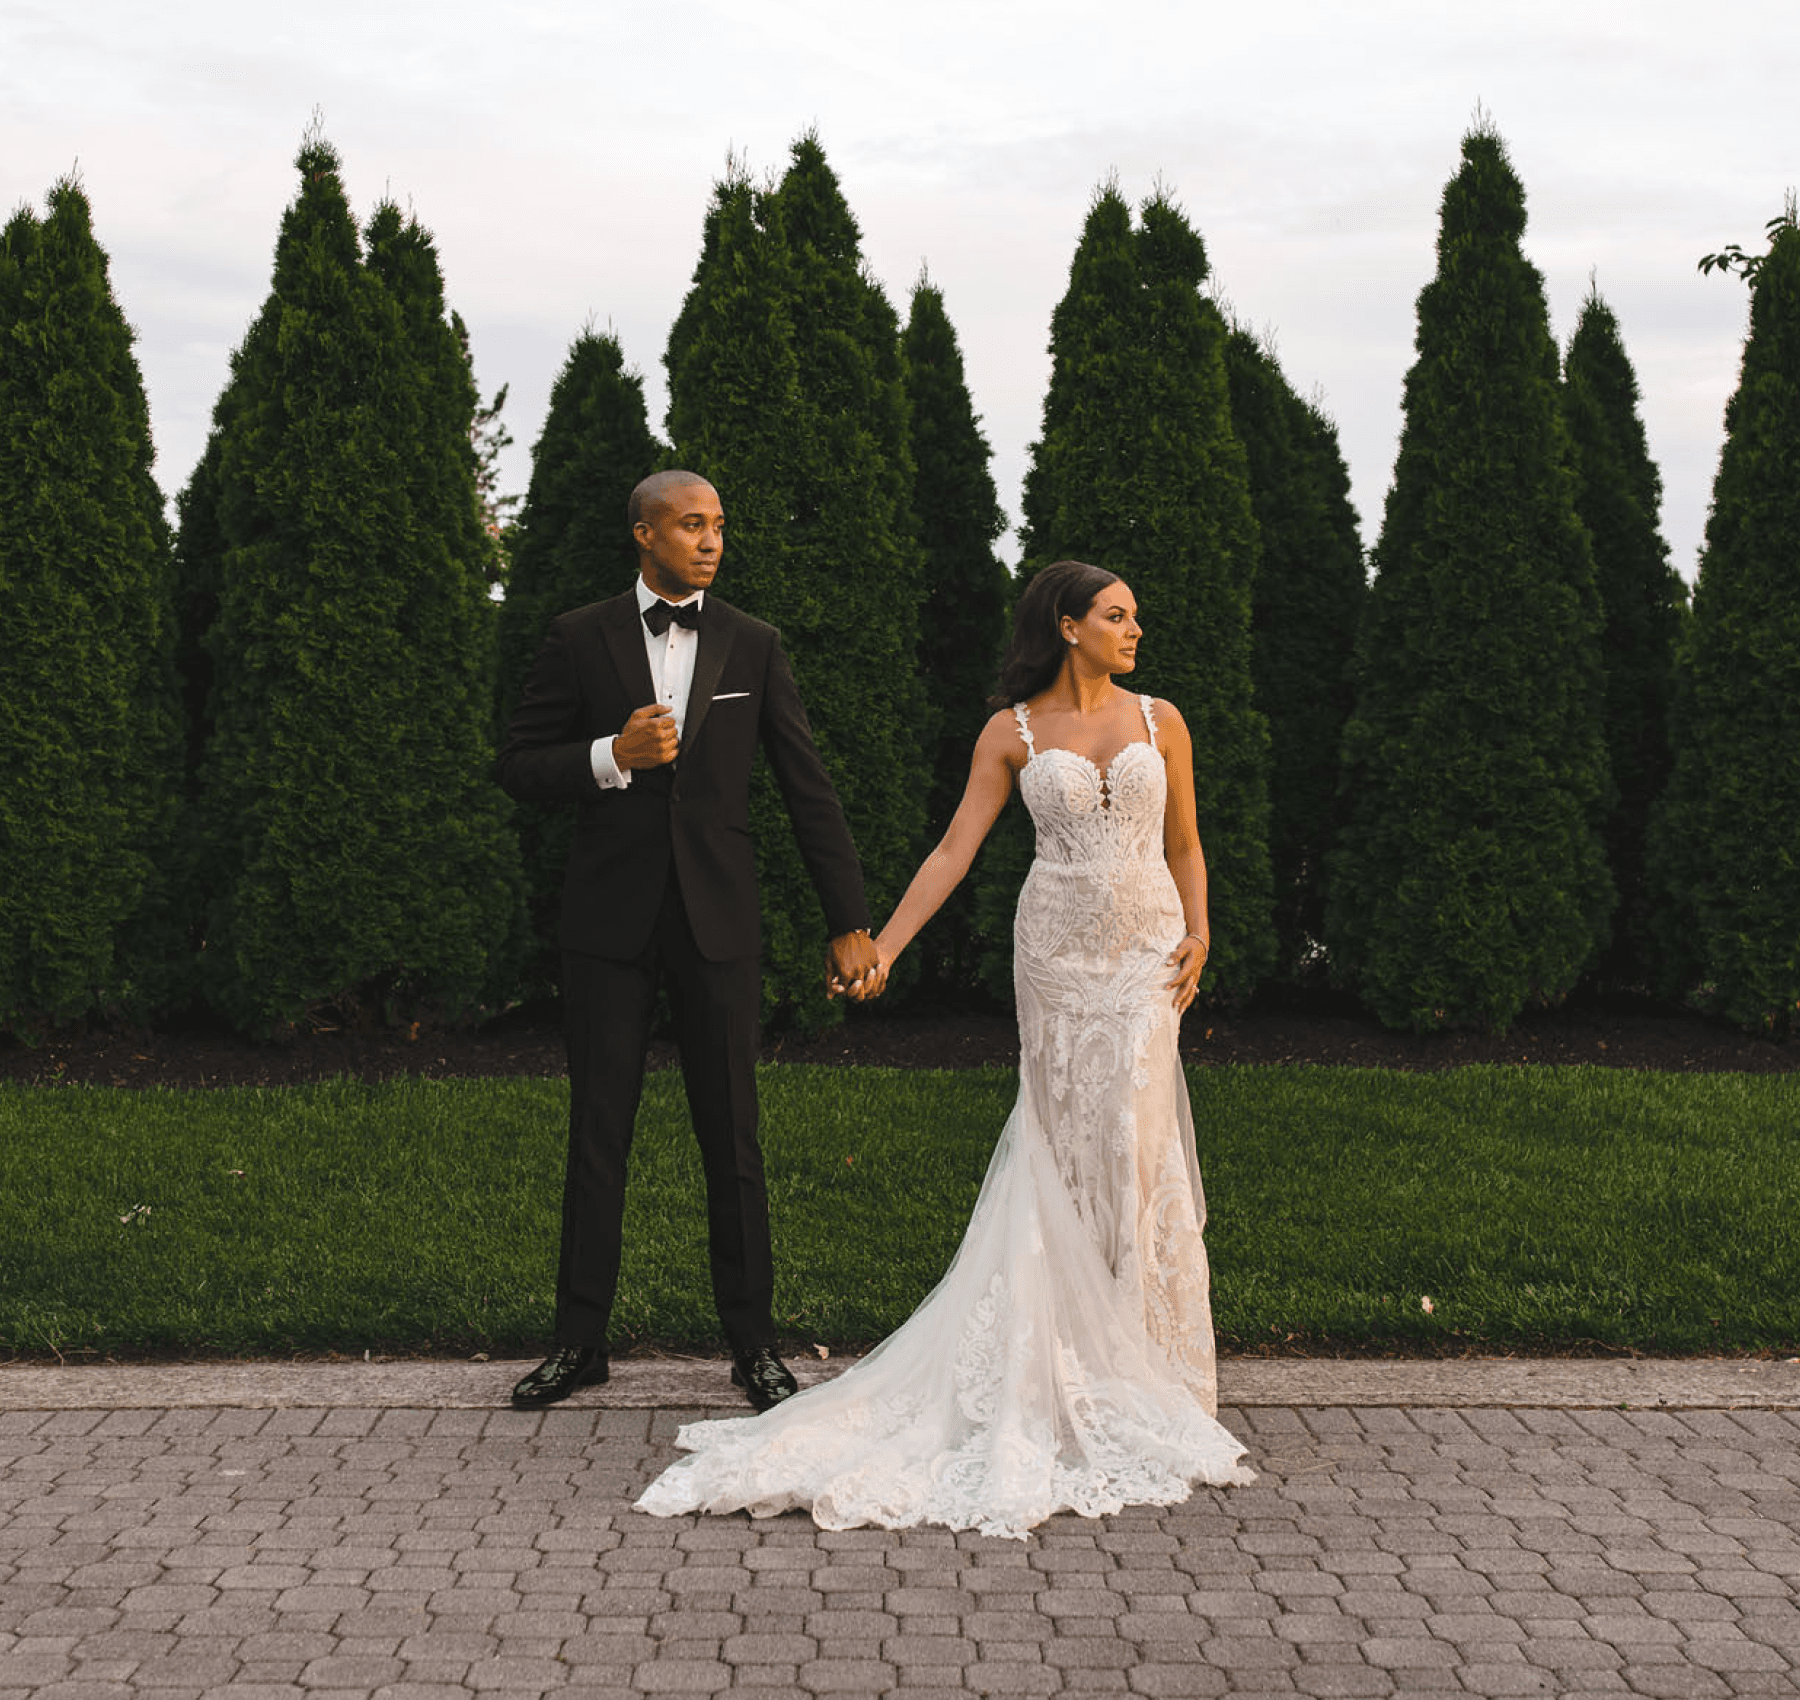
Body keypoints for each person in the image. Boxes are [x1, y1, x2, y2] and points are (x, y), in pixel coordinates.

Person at [636, 559, 1253, 1538]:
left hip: (1144, 949)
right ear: (1067, 624)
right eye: (1117, 615)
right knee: (1062, 1141)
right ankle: (1059, 1363)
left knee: (1135, 1142)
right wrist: (883, 941)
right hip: (1053, 950)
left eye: (1134, 614)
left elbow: (1184, 841)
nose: (1136, 629)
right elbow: (954, 850)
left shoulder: (1160, 720)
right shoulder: (1010, 733)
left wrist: (1201, 931)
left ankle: (1141, 1366)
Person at [496, 470, 882, 1413]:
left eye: (718, 525)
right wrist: (608, 758)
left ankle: (753, 1348)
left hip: (718, 920)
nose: (710, 541)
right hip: (608, 923)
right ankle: (578, 1344)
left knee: (732, 1136)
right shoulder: (577, 636)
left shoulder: (753, 642)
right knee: (598, 1134)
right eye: (691, 525)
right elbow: (517, 764)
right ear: (643, 534)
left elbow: (806, 783)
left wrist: (849, 920)